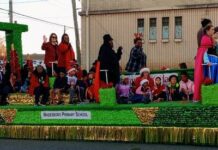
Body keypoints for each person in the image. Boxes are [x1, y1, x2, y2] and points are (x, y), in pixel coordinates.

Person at [194, 25, 214, 101]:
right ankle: (199, 97)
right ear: (207, 31)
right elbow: (204, 52)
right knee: (200, 78)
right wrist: (207, 61)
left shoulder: (207, 38)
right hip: (203, 62)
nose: (213, 31)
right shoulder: (205, 39)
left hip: (202, 61)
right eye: (212, 29)